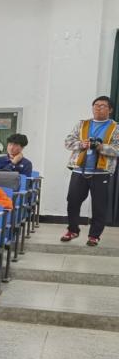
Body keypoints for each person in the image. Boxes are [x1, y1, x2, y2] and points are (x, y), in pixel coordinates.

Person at [63, 96, 119, 246]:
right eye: (96, 105)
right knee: (72, 201)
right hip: (79, 170)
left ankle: (94, 235)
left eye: (103, 106)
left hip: (102, 172)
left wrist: (100, 147)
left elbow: (117, 149)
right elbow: (68, 142)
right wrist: (82, 144)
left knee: (99, 206)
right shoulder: (82, 124)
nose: (99, 108)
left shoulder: (116, 127)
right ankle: (72, 230)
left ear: (110, 110)